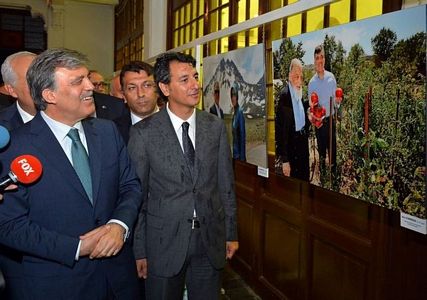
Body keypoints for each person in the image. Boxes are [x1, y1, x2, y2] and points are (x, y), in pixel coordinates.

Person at [0, 48, 142, 299]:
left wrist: (119, 225)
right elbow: (9, 226)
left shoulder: (107, 132)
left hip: (118, 281)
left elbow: (130, 186)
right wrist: (77, 247)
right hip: (57, 284)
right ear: (49, 94)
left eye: (87, 77)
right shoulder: (15, 148)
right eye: (78, 81)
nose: (90, 87)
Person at [128, 51, 238, 300]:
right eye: (185, 79)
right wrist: (139, 249)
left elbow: (226, 185)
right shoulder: (144, 133)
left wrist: (231, 232)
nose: (195, 85)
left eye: (195, 77)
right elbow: (137, 196)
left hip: (209, 240)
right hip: (163, 243)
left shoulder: (215, 127)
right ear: (165, 88)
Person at [275, 58, 310, 181]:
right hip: (292, 148)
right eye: (296, 77)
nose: (299, 81)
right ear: (290, 76)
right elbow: (281, 130)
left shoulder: (298, 93)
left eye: (301, 77)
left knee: (305, 182)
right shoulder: (285, 96)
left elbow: (299, 116)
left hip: (302, 144)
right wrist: (285, 160)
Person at [308, 45, 338, 179]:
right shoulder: (311, 83)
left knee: (333, 152)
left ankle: (334, 178)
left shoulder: (331, 78)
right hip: (319, 123)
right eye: (317, 58)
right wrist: (312, 113)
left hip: (330, 120)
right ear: (314, 61)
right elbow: (311, 106)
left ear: (324, 59)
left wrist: (338, 101)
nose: (319, 61)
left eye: (321, 57)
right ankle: (323, 179)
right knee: (321, 152)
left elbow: (336, 103)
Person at [114, 61, 159, 143]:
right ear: (124, 96)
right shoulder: (113, 131)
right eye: (132, 88)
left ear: (158, 90)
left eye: (147, 85)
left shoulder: (177, 123)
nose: (140, 94)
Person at [0, 51, 37, 130]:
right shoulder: (3, 129)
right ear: (12, 90)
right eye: (32, 80)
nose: (44, 85)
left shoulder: (68, 116)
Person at [230, 82, 246, 161]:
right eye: (232, 95)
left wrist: (242, 160)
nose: (233, 98)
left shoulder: (240, 112)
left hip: (239, 157)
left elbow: (242, 137)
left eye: (234, 95)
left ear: (237, 97)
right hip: (235, 156)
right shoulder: (234, 113)